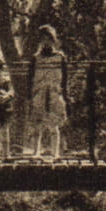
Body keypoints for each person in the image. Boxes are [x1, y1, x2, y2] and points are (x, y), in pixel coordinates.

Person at [29, 25, 68, 161]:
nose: (46, 42)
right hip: (39, 93)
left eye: (49, 39)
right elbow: (30, 78)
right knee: (37, 125)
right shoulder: (36, 58)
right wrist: (30, 96)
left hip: (54, 94)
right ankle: (36, 153)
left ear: (53, 40)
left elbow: (65, 78)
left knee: (54, 125)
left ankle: (54, 153)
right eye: (43, 39)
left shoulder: (60, 57)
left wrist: (65, 96)